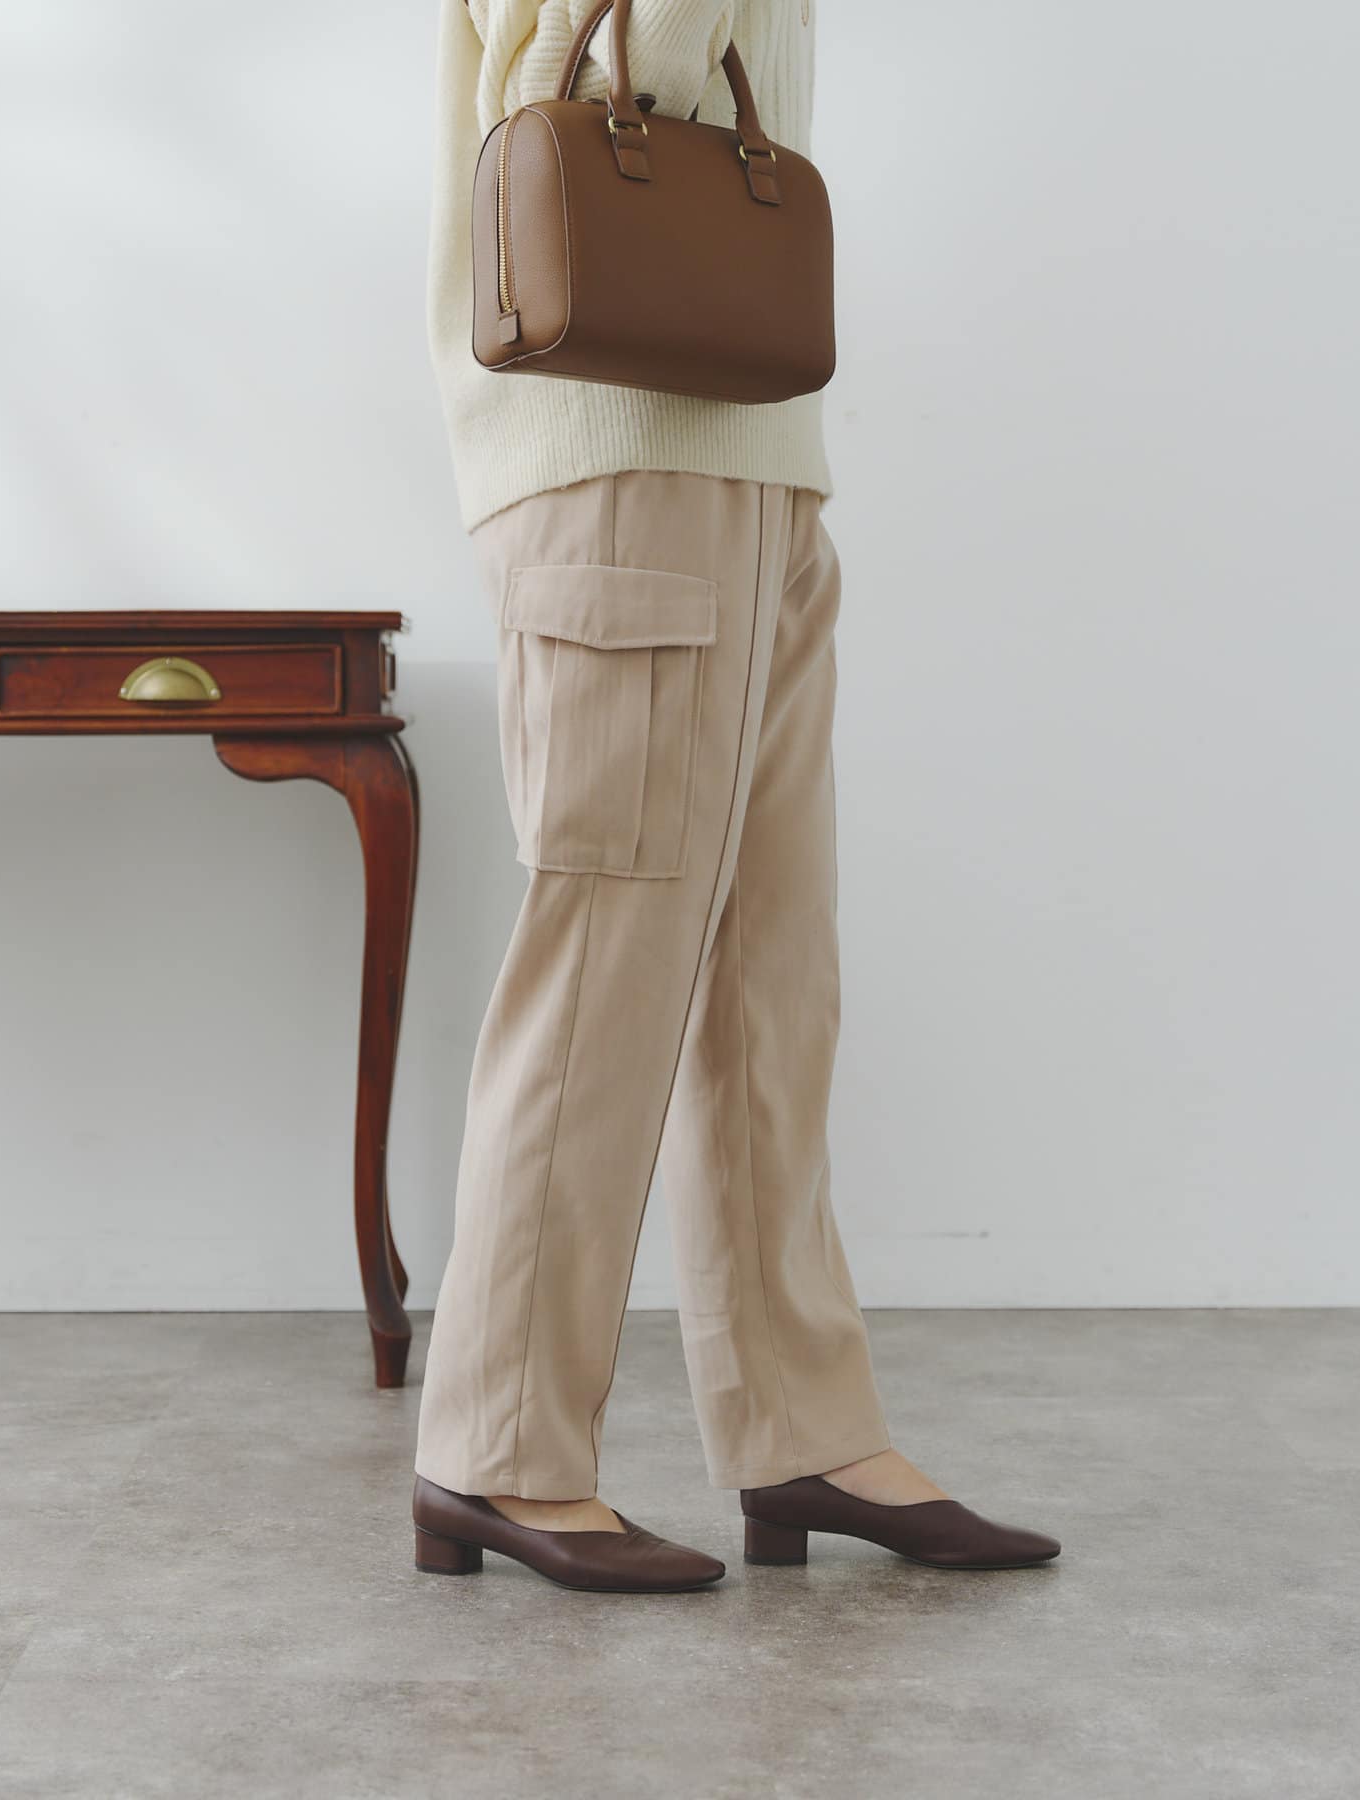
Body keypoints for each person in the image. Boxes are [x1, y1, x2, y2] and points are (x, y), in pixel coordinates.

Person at [412, 0, 1060, 1593]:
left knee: (774, 976)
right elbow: (625, 69)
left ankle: (801, 1428)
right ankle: (494, 1446)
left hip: (753, 448)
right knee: (607, 957)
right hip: (618, 447)